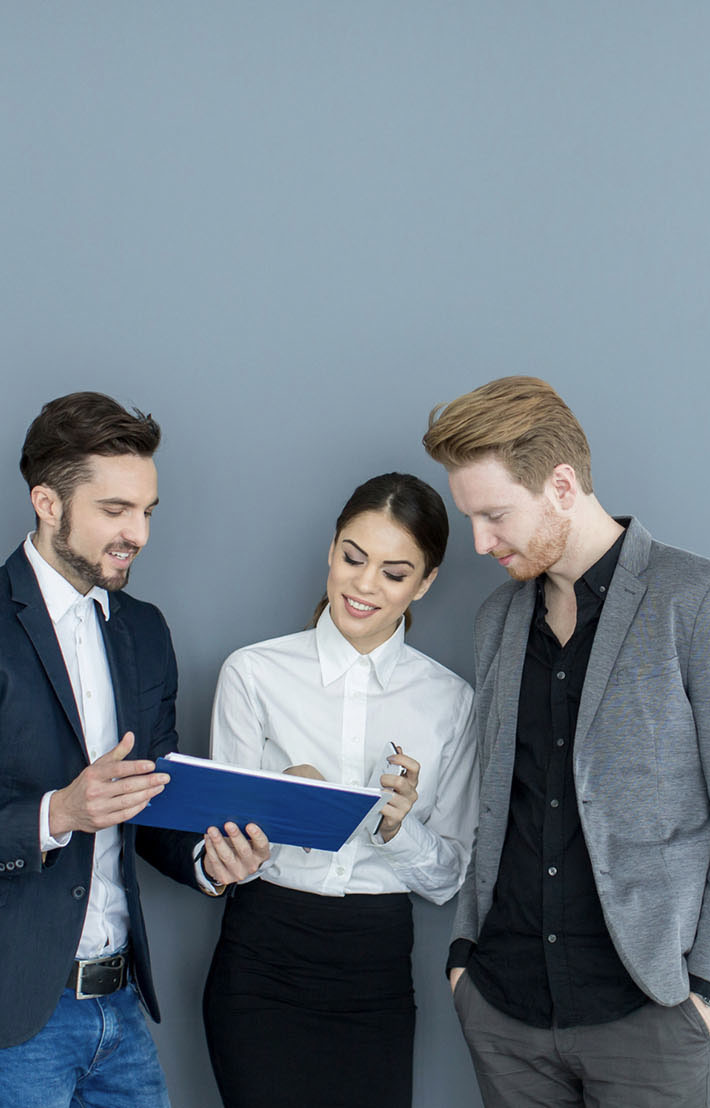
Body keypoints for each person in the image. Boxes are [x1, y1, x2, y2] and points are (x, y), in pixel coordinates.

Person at [0, 391, 268, 1108]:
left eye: (148, 511)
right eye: (115, 510)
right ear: (48, 503)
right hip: (4, 1013)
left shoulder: (144, 630)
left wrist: (210, 862)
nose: (139, 533)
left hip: (117, 1007)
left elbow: (150, 806)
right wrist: (56, 812)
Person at [422, 376, 710, 1108]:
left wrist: (707, 993)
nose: (479, 542)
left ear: (561, 485)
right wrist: (465, 960)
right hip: (504, 1008)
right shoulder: (498, 618)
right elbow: (499, 804)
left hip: (650, 1014)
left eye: (495, 515)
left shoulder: (701, 600)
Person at [201, 472, 480, 1108]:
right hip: (261, 960)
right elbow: (224, 853)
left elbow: (446, 880)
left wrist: (393, 825)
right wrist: (282, 806)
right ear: (332, 549)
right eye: (353, 558)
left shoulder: (451, 703)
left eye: (394, 572)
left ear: (425, 582)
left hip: (375, 969)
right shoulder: (254, 673)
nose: (363, 585)